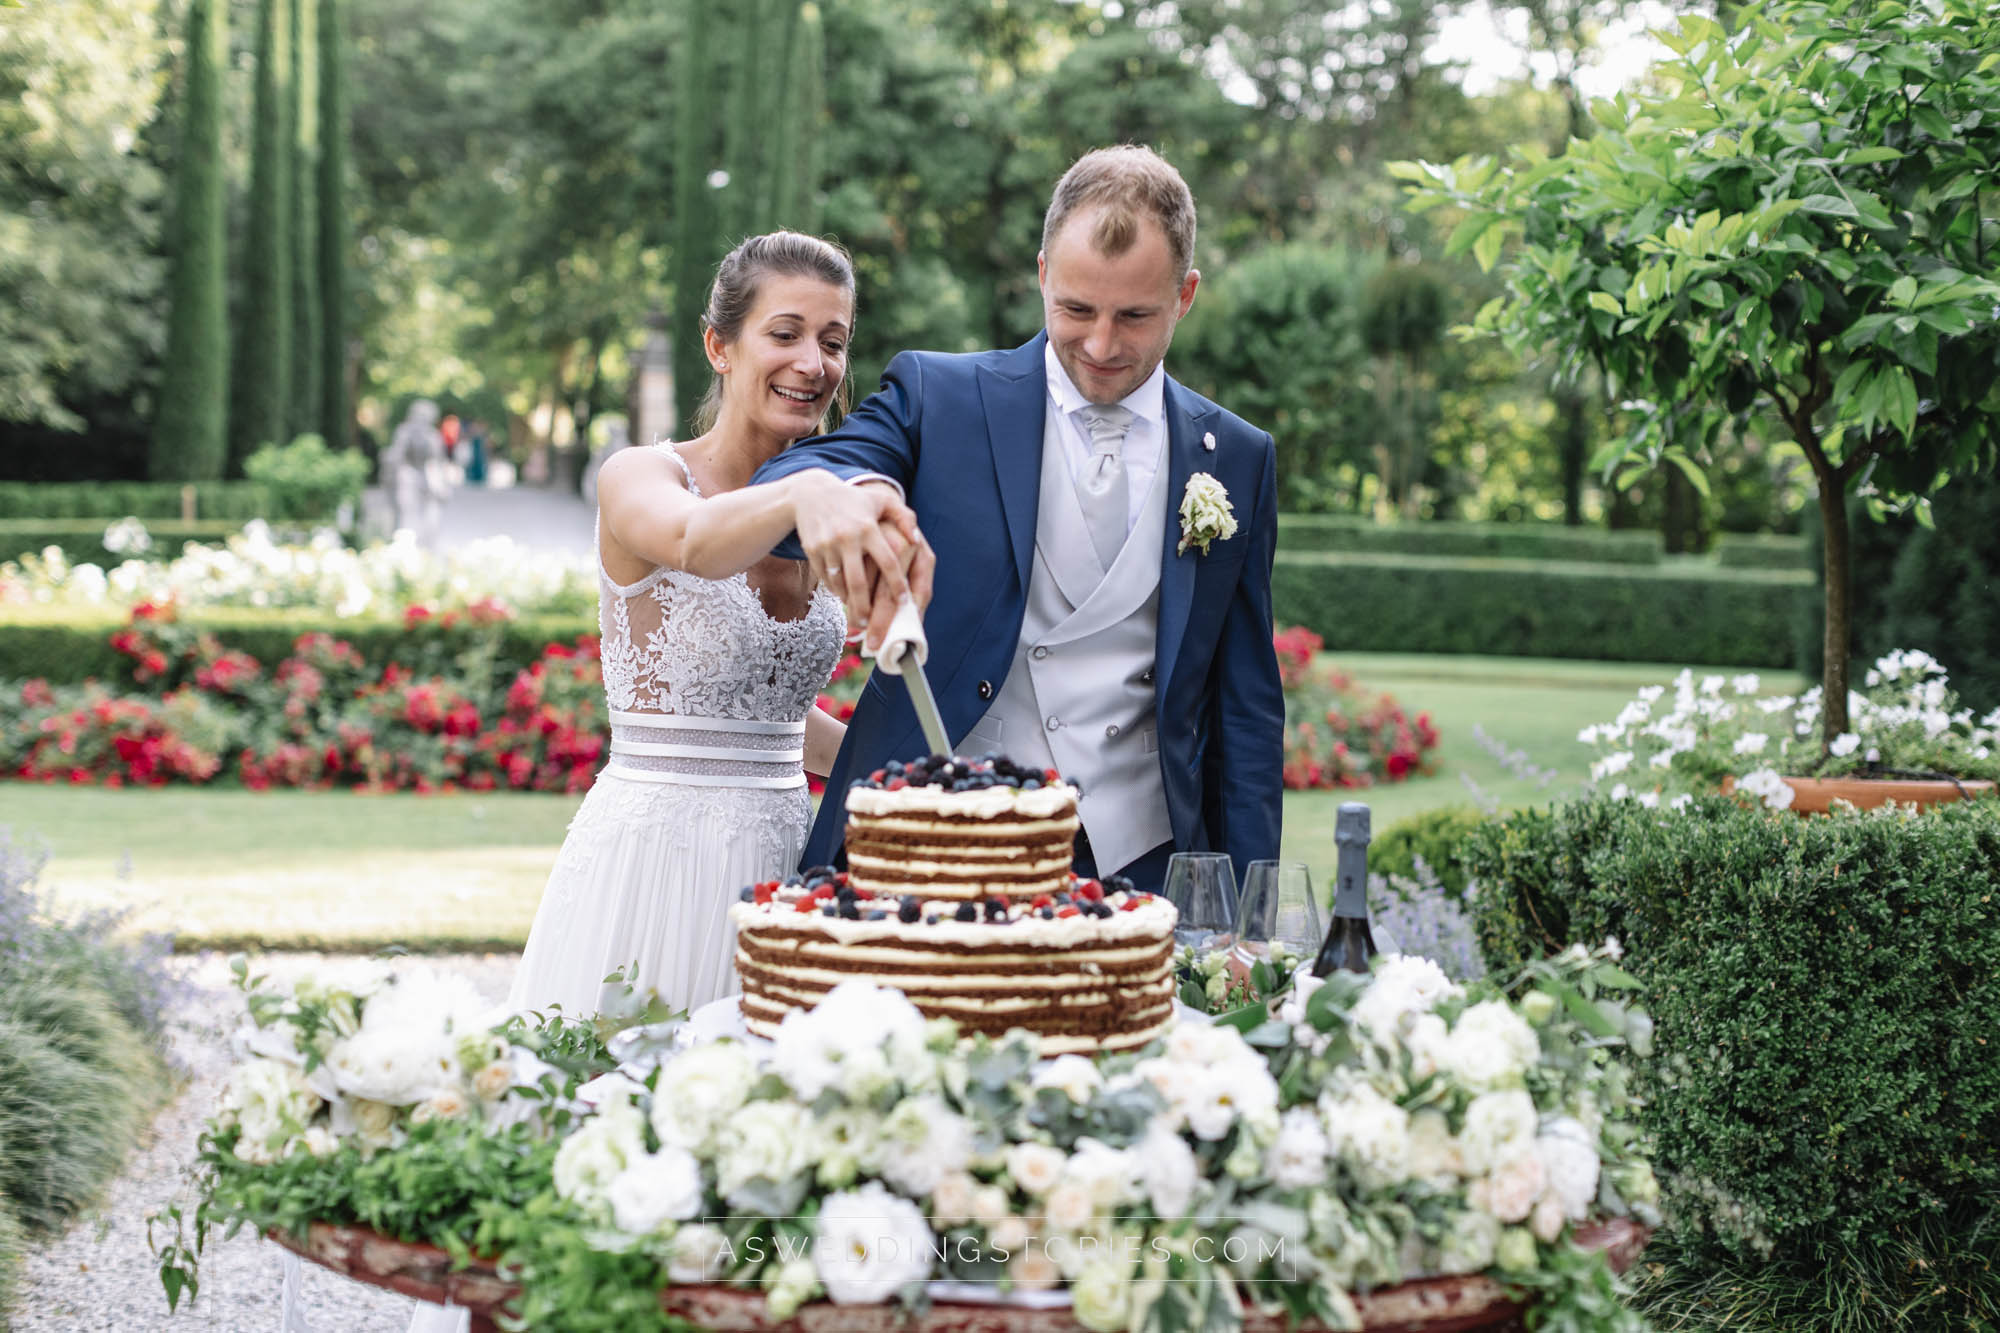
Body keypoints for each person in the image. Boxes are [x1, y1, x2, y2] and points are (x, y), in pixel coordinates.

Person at [398, 231, 929, 1333]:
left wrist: (923, 781)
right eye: (784, 332)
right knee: (613, 1187)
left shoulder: (824, 500)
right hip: (655, 857)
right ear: (719, 345)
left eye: (833, 339)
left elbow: (784, 725)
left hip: (791, 870)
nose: (815, 361)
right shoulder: (643, 478)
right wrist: (818, 493)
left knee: (775, 1195)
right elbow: (691, 541)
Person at [754, 145, 1283, 895]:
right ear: (1041, 275)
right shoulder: (941, 396)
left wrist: (1248, 909)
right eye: (1075, 309)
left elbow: (1247, 711)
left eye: (1134, 315)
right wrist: (837, 497)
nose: (1101, 345)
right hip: (936, 841)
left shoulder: (1236, 456)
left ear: (1185, 294)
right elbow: (783, 490)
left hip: (1139, 858)